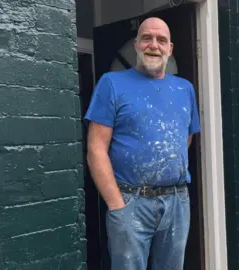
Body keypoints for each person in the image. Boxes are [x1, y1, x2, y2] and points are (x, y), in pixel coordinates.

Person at [84, 17, 200, 270]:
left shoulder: (185, 89)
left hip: (177, 202)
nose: (153, 45)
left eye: (161, 40)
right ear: (136, 44)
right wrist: (116, 204)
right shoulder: (112, 83)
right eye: (147, 38)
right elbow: (96, 149)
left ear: (170, 49)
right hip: (130, 201)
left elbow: (185, 138)